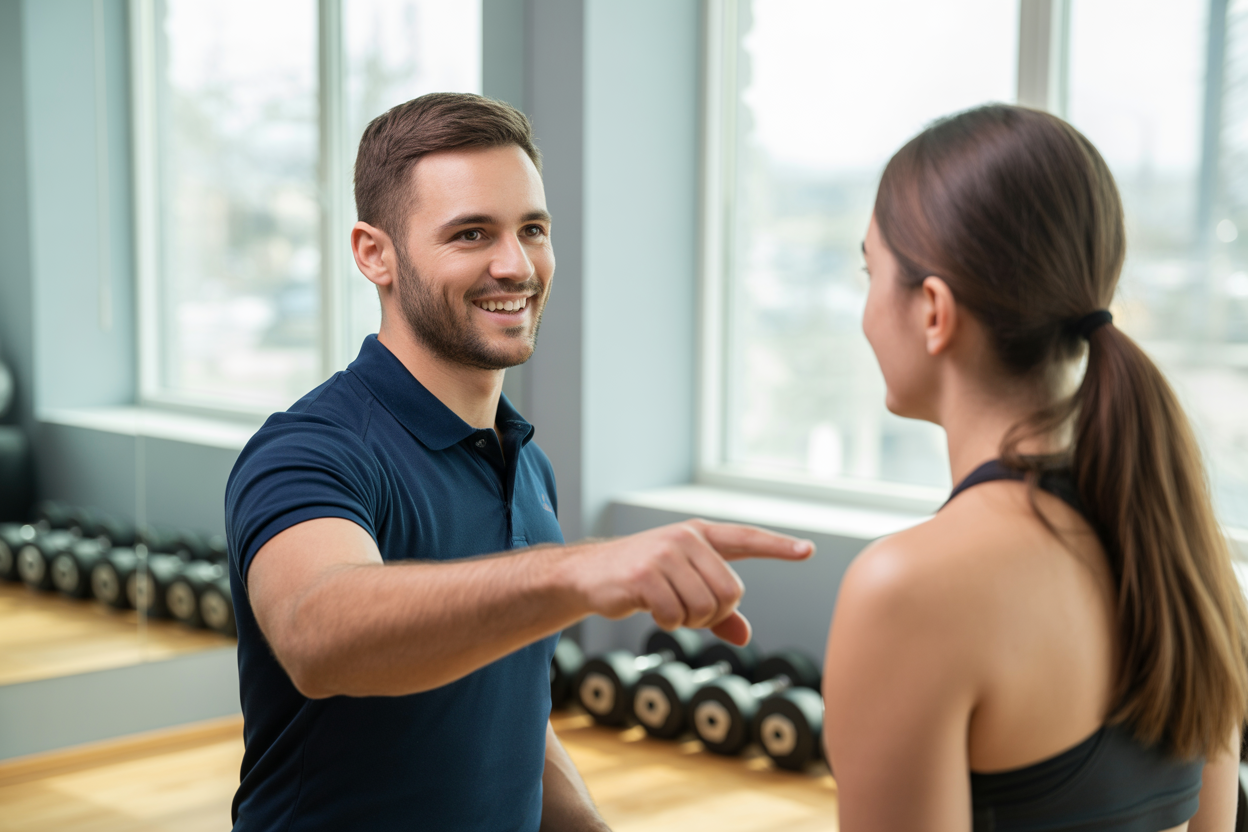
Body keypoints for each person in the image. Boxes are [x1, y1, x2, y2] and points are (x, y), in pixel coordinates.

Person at [224, 92, 814, 831]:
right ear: (374, 254)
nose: (515, 265)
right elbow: (318, 633)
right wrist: (573, 570)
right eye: (471, 234)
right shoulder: (309, 451)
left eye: (532, 229)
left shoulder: (525, 466)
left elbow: (502, 697)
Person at [824, 104, 1248, 831]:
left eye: (871, 273)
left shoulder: (906, 594)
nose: (863, 310)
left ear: (933, 310)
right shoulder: (1186, 555)